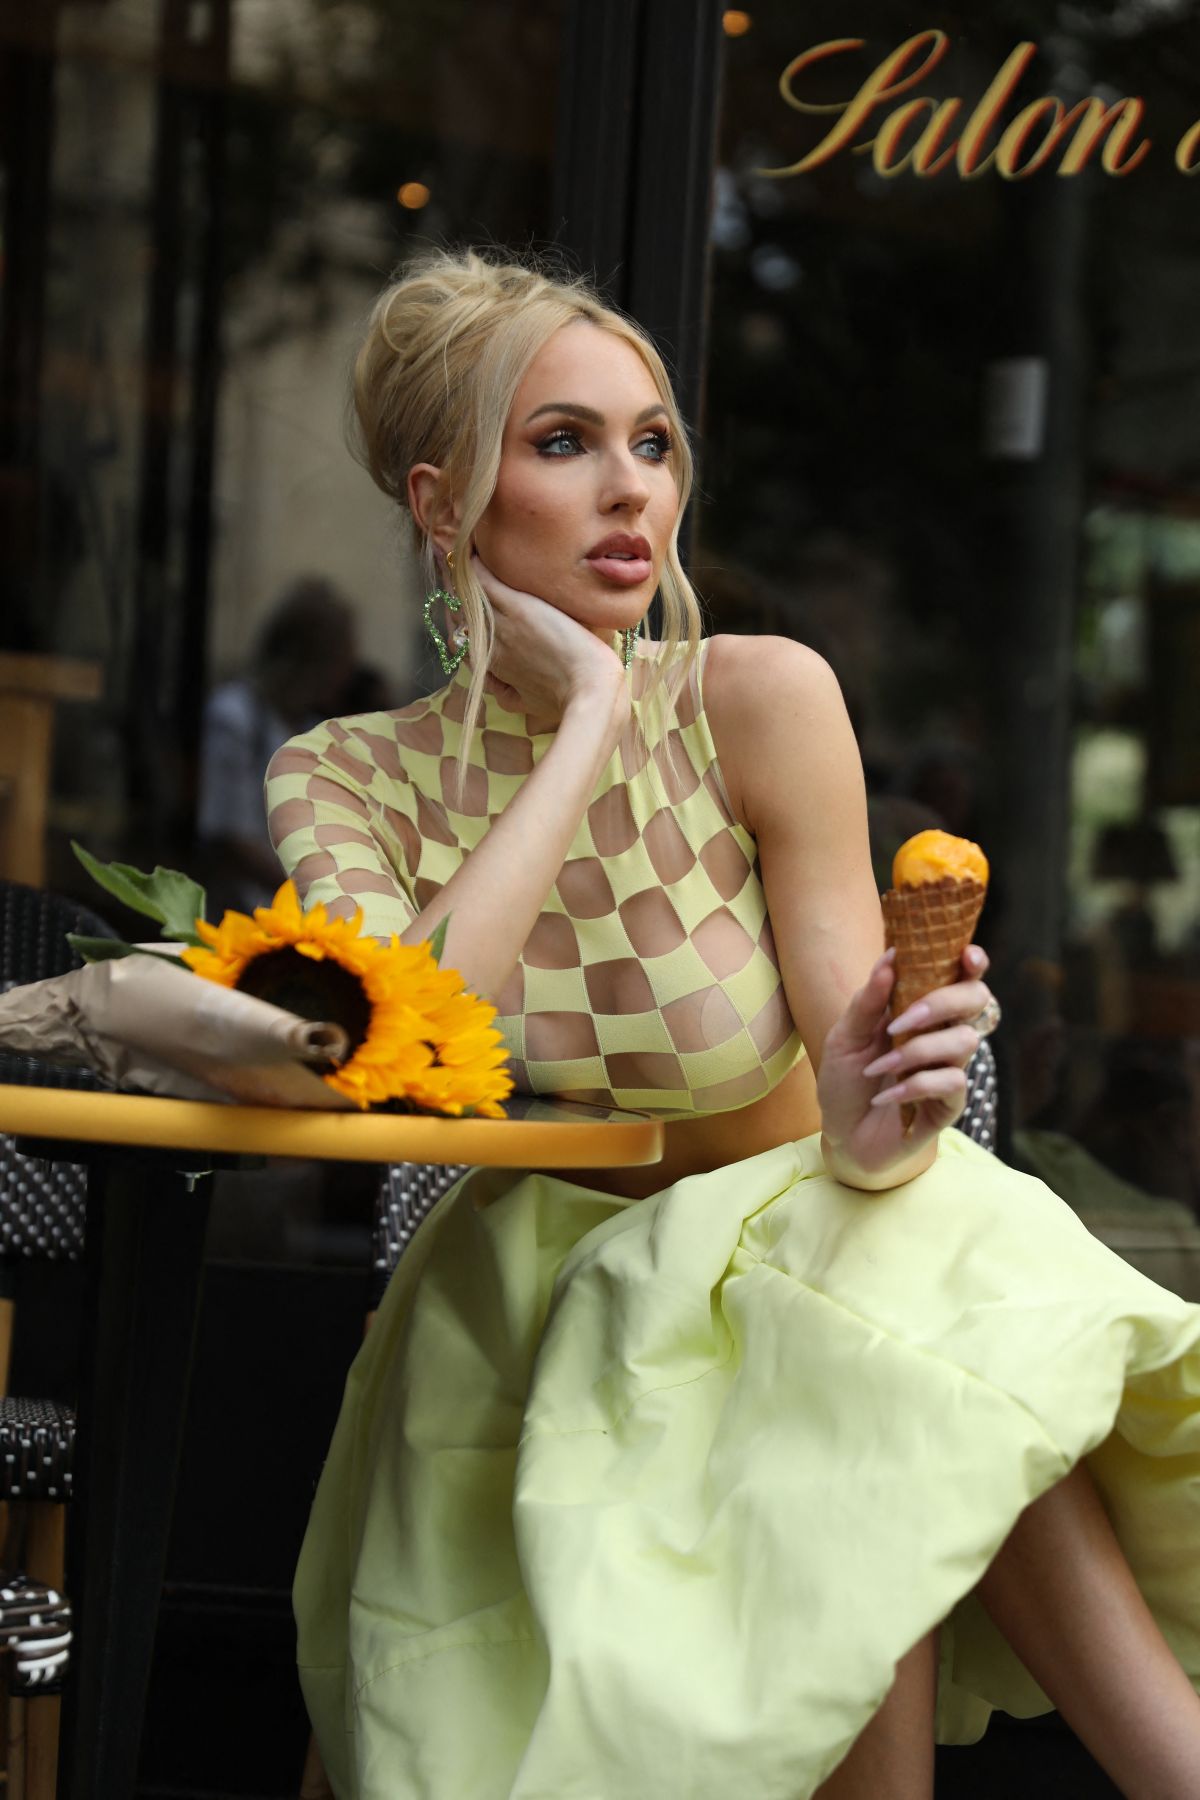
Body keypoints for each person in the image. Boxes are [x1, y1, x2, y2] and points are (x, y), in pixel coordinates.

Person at [264, 248, 1200, 1800]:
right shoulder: (345, 775)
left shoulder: (761, 696)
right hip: (546, 1302)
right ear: (445, 504)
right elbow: (399, 1040)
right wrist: (579, 722)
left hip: (825, 1236)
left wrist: (892, 1086)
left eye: (652, 441)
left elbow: (858, 1103)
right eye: (564, 444)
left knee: (863, 1354)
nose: (633, 488)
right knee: (859, 1382)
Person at [197, 577, 358, 916]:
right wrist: (315, 888)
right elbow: (228, 834)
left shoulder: (314, 729)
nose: (346, 675)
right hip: (243, 914)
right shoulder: (236, 716)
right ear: (308, 660)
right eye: (339, 661)